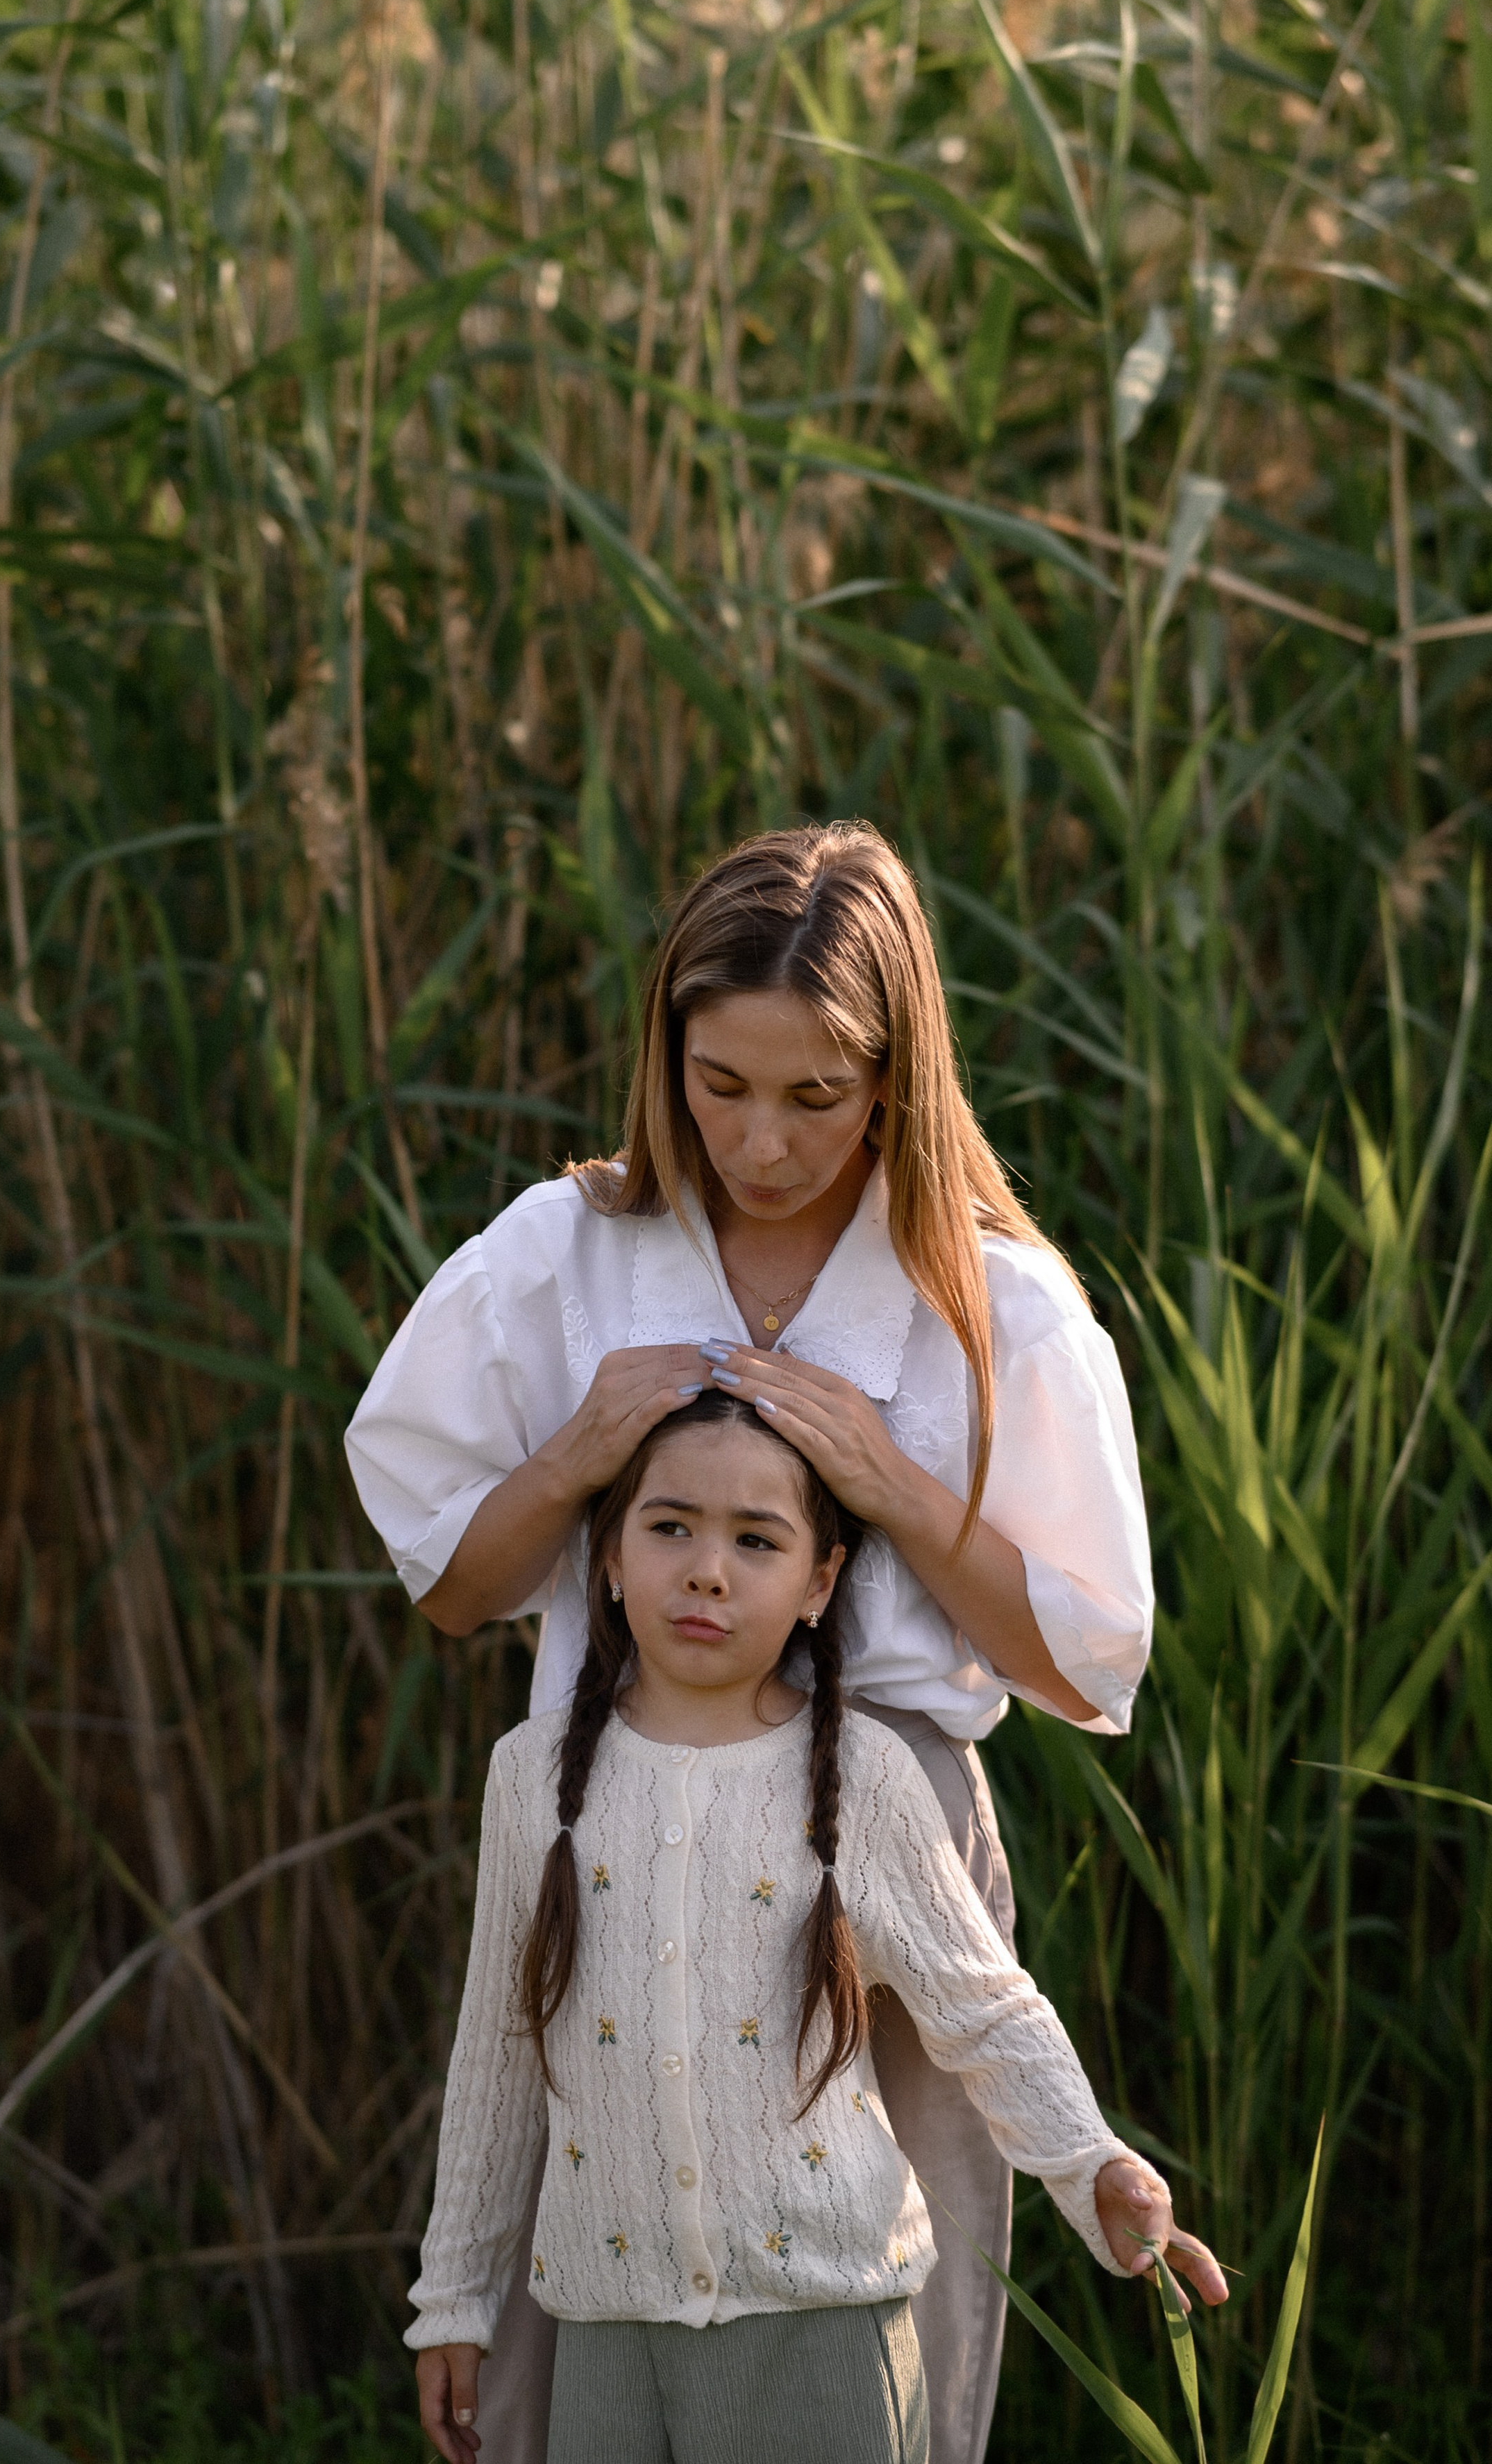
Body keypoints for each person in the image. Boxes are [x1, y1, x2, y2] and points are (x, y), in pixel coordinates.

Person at [346, 822, 1154, 2464]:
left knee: (879, 2360)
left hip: (884, 1840)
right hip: (611, 1799)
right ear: (663, 1047)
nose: (760, 1141)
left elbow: (1080, 1666)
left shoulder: (988, 1299)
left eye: (815, 1095)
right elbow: (447, 1584)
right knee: (554, 2354)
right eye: (718, 1084)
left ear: (895, 1070)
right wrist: (575, 1453)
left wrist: (893, 1484)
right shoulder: (564, 1252)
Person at [406, 1393, 1223, 2464]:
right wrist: (454, 2302)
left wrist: (1093, 2166)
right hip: (606, 2336)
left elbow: (984, 2009)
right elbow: (497, 2054)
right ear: (607, 1556)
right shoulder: (532, 1777)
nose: (708, 1569)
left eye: (757, 1540)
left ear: (819, 1583)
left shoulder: (865, 1777)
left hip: (825, 2336)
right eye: (670, 1527)